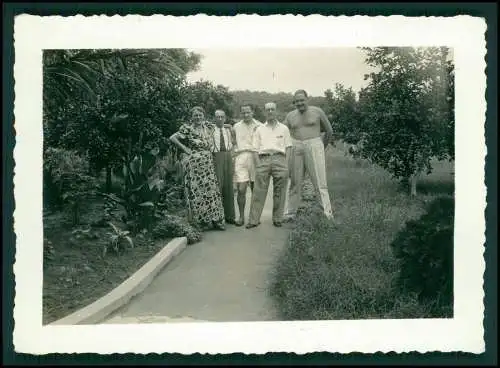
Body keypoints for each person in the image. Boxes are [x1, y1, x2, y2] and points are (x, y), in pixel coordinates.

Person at [169, 106, 226, 231]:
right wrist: (185, 149)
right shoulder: (187, 129)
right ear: (192, 117)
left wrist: (229, 126)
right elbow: (172, 138)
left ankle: (215, 220)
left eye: (200, 115)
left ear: (203, 116)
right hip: (194, 164)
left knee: (211, 191)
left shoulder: (208, 127)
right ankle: (200, 222)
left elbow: (222, 125)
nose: (198, 117)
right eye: (195, 115)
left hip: (207, 163)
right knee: (197, 192)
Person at [284, 89, 335, 221]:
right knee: (295, 181)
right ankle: (290, 213)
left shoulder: (317, 111)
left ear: (307, 99)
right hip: (296, 146)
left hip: (314, 144)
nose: (300, 103)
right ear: (293, 103)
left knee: (319, 181)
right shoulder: (290, 116)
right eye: (297, 101)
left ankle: (327, 214)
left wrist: (320, 147)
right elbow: (283, 133)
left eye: (302, 100)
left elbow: (329, 131)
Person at [246, 102, 292, 229]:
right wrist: (258, 165)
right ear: (265, 112)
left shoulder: (284, 128)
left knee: (280, 191)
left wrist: (286, 164)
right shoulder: (259, 129)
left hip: (280, 159)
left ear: (276, 111)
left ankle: (278, 218)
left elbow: (288, 147)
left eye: (272, 109)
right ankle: (253, 220)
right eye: (268, 110)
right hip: (263, 159)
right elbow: (254, 149)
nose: (270, 111)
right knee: (258, 191)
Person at [231, 104, 263, 226]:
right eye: (243, 112)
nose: (246, 115)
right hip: (241, 158)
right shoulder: (236, 126)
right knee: (241, 189)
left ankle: (255, 217)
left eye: (248, 112)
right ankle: (241, 217)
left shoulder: (260, 125)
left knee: (255, 189)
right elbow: (233, 142)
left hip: (255, 157)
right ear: (241, 113)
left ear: (252, 112)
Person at [212, 109, 236, 225]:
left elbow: (234, 142)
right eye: (217, 117)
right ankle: (218, 217)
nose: (220, 119)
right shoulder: (210, 129)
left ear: (225, 118)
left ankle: (230, 216)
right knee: (218, 185)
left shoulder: (228, 129)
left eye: (222, 117)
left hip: (228, 156)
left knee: (229, 186)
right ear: (214, 118)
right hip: (216, 156)